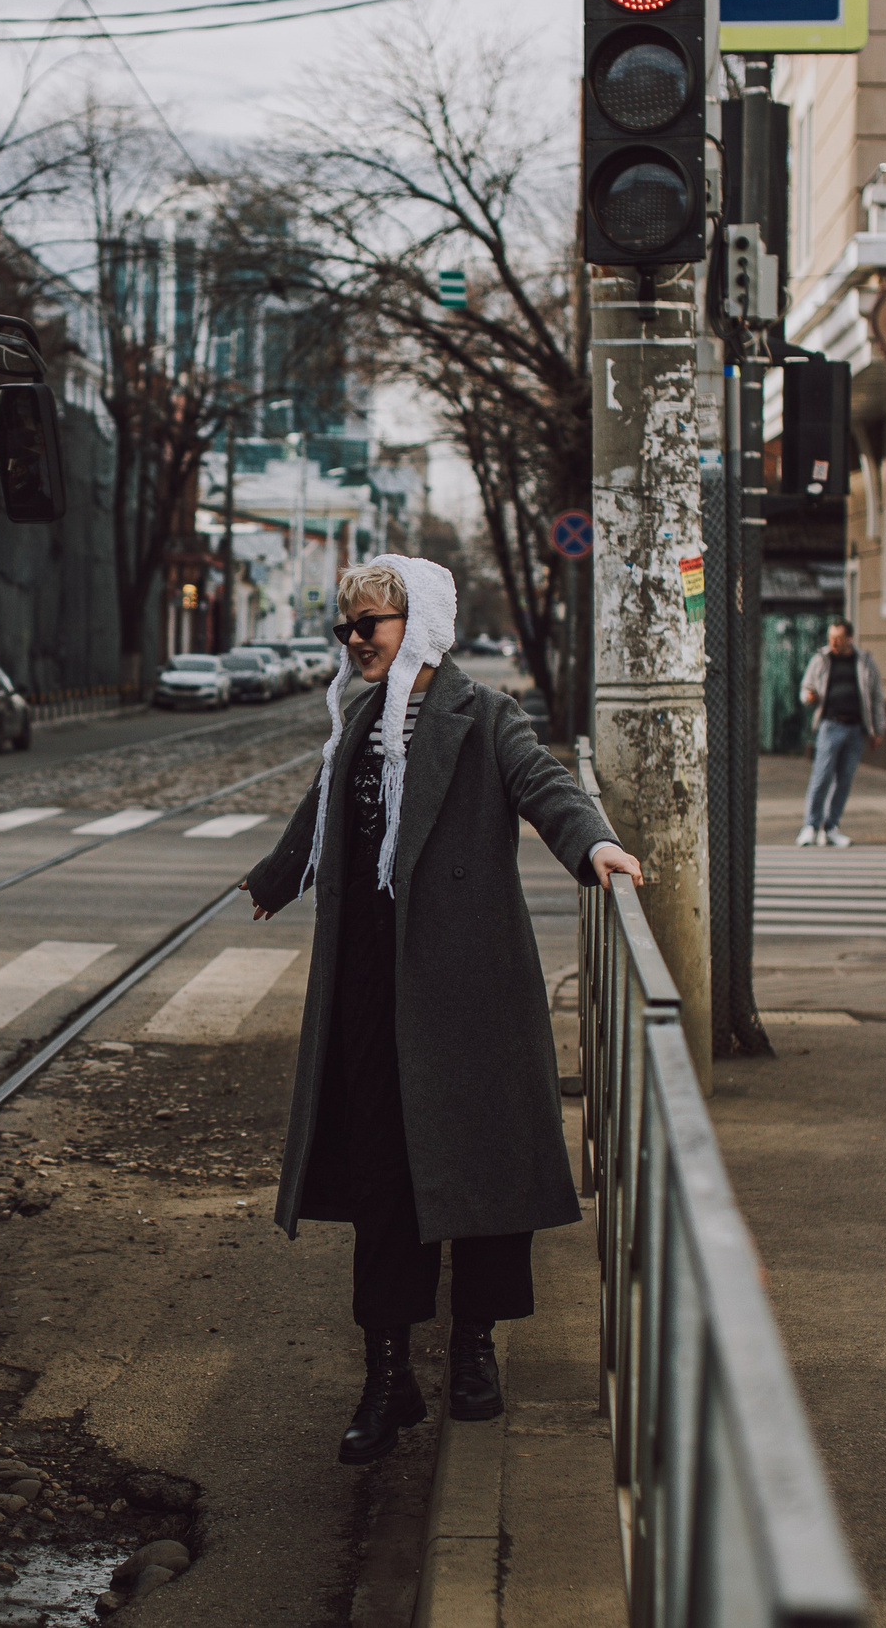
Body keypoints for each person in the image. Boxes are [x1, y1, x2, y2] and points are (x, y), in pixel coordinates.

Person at [239, 556, 643, 1465]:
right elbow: (324, 805)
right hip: (370, 984)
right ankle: (388, 1376)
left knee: (483, 1171)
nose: (355, 640)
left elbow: (544, 786)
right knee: (385, 1174)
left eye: (371, 623)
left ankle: (475, 1352)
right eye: (346, 627)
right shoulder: (357, 719)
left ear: (417, 620)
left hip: (466, 979)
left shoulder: (483, 712)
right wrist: (276, 876)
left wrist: (597, 848)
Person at [796, 618, 883, 848]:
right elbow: (806, 688)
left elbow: (876, 697)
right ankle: (810, 826)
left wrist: (878, 730)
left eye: (838, 639)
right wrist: (809, 697)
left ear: (849, 639)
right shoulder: (821, 660)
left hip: (855, 728)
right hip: (830, 725)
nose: (833, 643)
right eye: (831, 638)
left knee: (844, 780)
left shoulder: (864, 662)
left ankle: (831, 827)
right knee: (821, 777)